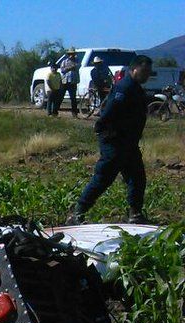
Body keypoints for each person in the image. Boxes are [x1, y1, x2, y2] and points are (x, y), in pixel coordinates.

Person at [69, 54, 154, 225]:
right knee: (104, 177)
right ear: (134, 69)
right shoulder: (125, 87)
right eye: (144, 71)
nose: (146, 75)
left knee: (137, 178)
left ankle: (134, 213)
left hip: (128, 142)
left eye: (148, 72)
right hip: (115, 141)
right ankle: (77, 213)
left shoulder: (135, 87)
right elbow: (109, 112)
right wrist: (104, 132)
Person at [59, 51, 80, 117]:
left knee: (73, 98)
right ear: (68, 55)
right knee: (60, 97)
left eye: (73, 54)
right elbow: (62, 70)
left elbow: (77, 67)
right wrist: (70, 68)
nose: (71, 55)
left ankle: (74, 113)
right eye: (70, 54)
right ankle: (54, 111)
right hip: (65, 81)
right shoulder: (64, 61)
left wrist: (68, 68)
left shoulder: (77, 61)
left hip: (73, 82)